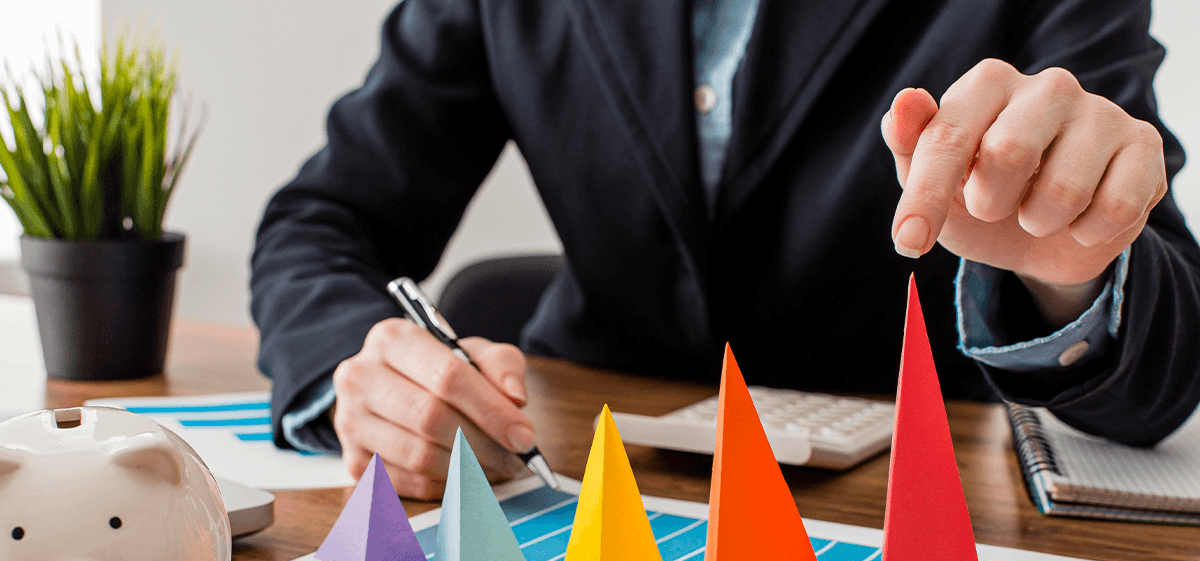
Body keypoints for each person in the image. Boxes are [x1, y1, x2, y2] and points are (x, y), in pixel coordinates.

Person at [251, 0, 1200, 500]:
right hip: (577, 475)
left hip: (915, 499)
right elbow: (324, 217)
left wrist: (1067, 275)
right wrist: (354, 367)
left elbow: (1170, 361)